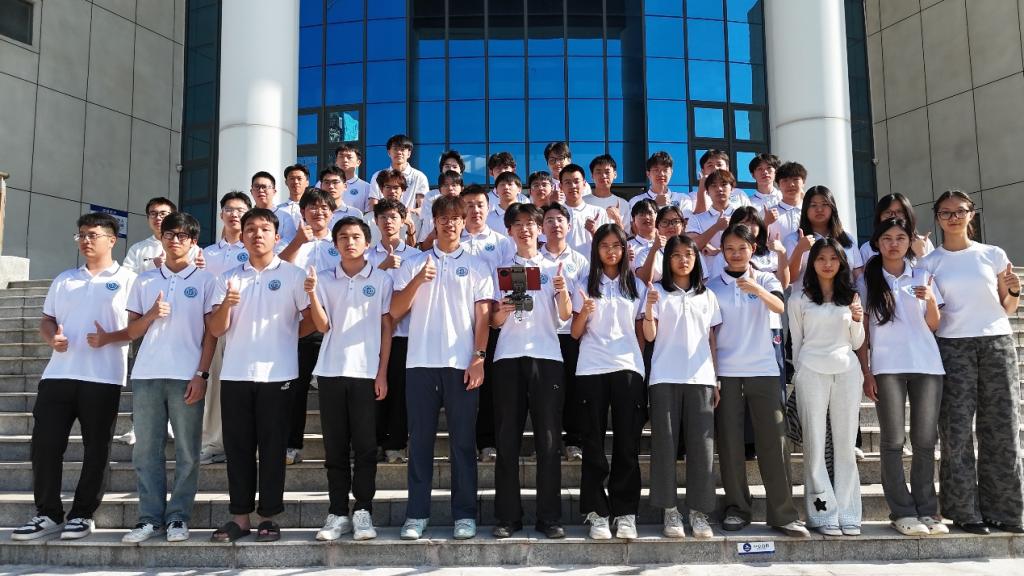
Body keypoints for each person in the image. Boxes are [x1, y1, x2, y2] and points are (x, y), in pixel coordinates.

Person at [12, 213, 136, 541]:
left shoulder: (129, 279)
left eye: (93, 235)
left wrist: (109, 338)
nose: (85, 240)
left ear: (112, 240)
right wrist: (52, 338)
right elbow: (47, 320)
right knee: (45, 445)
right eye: (81, 235)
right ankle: (48, 513)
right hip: (58, 375)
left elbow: (139, 326)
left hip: (103, 377)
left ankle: (82, 514)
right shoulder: (65, 279)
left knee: (97, 448)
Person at [103, 212, 215, 544]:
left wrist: (201, 374)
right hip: (147, 374)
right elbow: (132, 331)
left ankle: (179, 516)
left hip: (186, 376)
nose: (175, 240)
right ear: (161, 238)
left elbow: (211, 334)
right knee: (146, 452)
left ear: (193, 242)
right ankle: (149, 518)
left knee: (188, 452)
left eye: (182, 236)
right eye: (169, 234)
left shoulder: (206, 281)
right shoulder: (145, 280)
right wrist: (152, 314)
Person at [206, 208, 314, 543]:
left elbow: (310, 320)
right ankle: (239, 518)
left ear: (277, 236)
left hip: (279, 374)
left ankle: (269, 517)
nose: (257, 234)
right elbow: (215, 329)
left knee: (272, 447)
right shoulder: (228, 278)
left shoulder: (294, 275)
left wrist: (286, 336)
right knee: (238, 448)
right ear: (242, 236)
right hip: (236, 374)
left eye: (264, 229)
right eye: (250, 229)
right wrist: (227, 304)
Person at [920, 190, 1024, 535]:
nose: (953, 218)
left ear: (971, 214)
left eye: (960, 211)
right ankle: (963, 510)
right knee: (956, 431)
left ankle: (1006, 511)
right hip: (953, 347)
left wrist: (1014, 290)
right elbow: (930, 314)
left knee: (1003, 427)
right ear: (937, 218)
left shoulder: (992, 254)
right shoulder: (930, 262)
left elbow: (1007, 307)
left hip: (996, 343)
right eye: (946, 213)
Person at [390, 195, 493, 541]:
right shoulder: (414, 263)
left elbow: (483, 317)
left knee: (463, 443)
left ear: (464, 222)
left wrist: (478, 358)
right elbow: (395, 311)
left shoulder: (478, 265)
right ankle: (416, 514)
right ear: (433, 222)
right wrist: (418, 279)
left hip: (460, 364)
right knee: (419, 442)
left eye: (456, 218)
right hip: (420, 364)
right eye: (443, 218)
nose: (450, 223)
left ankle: (465, 514)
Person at [708, 225, 808, 538]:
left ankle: (783, 513)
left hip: (764, 370)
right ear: (722, 251)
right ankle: (737, 508)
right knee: (730, 443)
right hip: (727, 371)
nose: (736, 254)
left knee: (775, 442)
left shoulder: (766, 278)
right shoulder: (713, 285)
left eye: (742, 248)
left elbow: (779, 306)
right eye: (729, 248)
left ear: (753, 249)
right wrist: (713, 375)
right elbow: (710, 333)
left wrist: (756, 289)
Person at [856, 218, 946, 536]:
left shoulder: (923, 274)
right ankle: (902, 511)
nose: (893, 244)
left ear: (909, 242)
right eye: (887, 238)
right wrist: (866, 371)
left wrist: (931, 299)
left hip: (927, 364)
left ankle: (927, 509)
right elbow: (863, 331)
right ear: (877, 243)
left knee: (925, 441)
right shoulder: (867, 280)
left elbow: (934, 324)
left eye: (900, 238)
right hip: (887, 367)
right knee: (893, 441)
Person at [490, 203, 573, 540]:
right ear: (509, 230)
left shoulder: (555, 267)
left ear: (539, 229)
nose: (525, 229)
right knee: (507, 439)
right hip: (508, 356)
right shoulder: (500, 269)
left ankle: (549, 517)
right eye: (518, 224)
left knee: (549, 440)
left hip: (547, 356)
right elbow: (494, 321)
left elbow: (565, 316)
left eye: (530, 224)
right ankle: (507, 517)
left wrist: (562, 290)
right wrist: (503, 309)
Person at [308, 216, 393, 542]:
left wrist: (382, 372)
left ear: (367, 243)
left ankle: (363, 511)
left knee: (366, 447)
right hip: (331, 370)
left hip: (366, 373)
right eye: (343, 237)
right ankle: (337, 513)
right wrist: (311, 294)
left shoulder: (382, 279)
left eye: (356, 236)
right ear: (335, 244)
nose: (349, 242)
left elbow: (386, 328)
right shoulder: (324, 279)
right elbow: (322, 326)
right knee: (335, 448)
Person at [643, 234, 722, 539]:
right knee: (664, 446)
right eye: (676, 255)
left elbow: (712, 339)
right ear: (668, 260)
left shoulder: (707, 295)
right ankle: (670, 511)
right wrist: (650, 309)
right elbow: (649, 336)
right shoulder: (657, 292)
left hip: (700, 378)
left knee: (702, 448)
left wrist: (715, 378)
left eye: (688, 254)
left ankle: (699, 512)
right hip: (664, 376)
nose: (683, 260)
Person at [571, 223, 646, 540]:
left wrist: (637, 364)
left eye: (617, 245)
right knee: (593, 443)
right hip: (592, 367)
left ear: (624, 249)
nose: (611, 251)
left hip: (628, 367)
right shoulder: (584, 283)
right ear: (596, 249)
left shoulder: (636, 285)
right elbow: (575, 333)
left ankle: (625, 512)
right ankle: (596, 512)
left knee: (628, 443)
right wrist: (584, 311)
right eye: (605, 245)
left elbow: (641, 332)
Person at [789, 238, 865, 536]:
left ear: (841, 262)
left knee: (845, 445)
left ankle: (848, 512)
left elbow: (857, 342)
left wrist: (857, 320)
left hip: (847, 371)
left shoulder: (851, 297)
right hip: (811, 371)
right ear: (813, 263)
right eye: (821, 258)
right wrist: (799, 374)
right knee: (815, 445)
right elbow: (796, 342)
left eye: (834, 258)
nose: (828, 264)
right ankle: (822, 514)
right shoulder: (799, 299)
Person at [277, 188, 342, 466]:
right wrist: (297, 243)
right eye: (312, 207)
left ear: (332, 213)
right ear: (302, 212)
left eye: (324, 208)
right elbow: (276, 269)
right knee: (296, 388)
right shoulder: (290, 243)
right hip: (302, 325)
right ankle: (291, 445)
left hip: (336, 324)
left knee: (336, 390)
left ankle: (341, 446)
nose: (318, 212)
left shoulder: (340, 242)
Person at [459, 185, 514, 462]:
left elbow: (508, 281)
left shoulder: (502, 242)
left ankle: (487, 442)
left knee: (489, 386)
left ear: (488, 207)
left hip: (492, 322)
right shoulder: (452, 240)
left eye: (479, 204)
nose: (474, 210)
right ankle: (462, 442)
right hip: (458, 324)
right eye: (468, 205)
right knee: (460, 386)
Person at [367, 199, 423, 464]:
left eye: (393, 217)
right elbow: (360, 288)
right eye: (383, 217)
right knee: (372, 391)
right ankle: (372, 442)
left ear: (403, 221)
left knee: (399, 391)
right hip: (371, 335)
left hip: (403, 334)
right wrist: (384, 266)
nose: (388, 222)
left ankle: (395, 444)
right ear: (375, 221)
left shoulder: (416, 257)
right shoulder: (366, 256)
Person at [199, 191, 252, 466]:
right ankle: (213, 443)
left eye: (240, 210)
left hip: (248, 329)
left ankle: (247, 442)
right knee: (215, 386)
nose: (234, 215)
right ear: (221, 215)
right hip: (216, 328)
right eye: (229, 209)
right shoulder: (206, 254)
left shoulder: (254, 250)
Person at [540, 203, 590, 462]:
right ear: (541, 227)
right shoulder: (534, 259)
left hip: (571, 333)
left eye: (560, 220)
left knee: (573, 389)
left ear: (569, 226)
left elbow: (583, 301)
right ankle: (546, 441)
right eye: (549, 220)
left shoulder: (580, 261)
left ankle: (574, 441)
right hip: (542, 333)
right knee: (545, 391)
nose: (555, 224)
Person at [784, 185, 864, 287]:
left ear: (832, 208)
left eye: (825, 204)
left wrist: (860, 294)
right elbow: (790, 278)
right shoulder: (793, 239)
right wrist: (799, 249)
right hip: (806, 296)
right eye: (813, 205)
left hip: (845, 296)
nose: (819, 209)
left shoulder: (847, 238)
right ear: (805, 209)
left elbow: (858, 274)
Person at [123, 197, 202, 275]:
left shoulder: (190, 247)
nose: (158, 218)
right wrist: (151, 265)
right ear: (148, 218)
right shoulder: (137, 249)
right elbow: (126, 277)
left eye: (163, 214)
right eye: (153, 214)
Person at [858, 193, 934, 264]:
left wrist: (921, 254)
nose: (893, 216)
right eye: (888, 212)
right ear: (879, 217)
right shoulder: (867, 249)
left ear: (908, 216)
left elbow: (934, 272)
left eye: (899, 212)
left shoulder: (923, 243)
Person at [368, 134, 430, 209]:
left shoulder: (419, 177)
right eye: (395, 149)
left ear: (409, 153)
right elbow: (373, 205)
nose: (399, 152)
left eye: (403, 149)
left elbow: (423, 208)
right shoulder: (378, 175)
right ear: (389, 152)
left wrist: (405, 213)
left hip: (410, 216)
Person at [562, 164, 609, 257]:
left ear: (584, 184)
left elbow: (607, 244)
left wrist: (594, 231)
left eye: (576, 181)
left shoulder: (599, 212)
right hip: (562, 265)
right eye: (567, 182)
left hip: (591, 264)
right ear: (561, 186)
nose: (573, 186)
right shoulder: (555, 213)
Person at [365, 169, 418, 247]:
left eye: (396, 187)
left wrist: (410, 225)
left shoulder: (413, 218)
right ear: (381, 189)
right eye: (388, 187)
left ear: (403, 190)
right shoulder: (368, 219)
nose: (392, 191)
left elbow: (413, 249)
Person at [635, 205, 687, 283]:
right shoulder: (645, 253)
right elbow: (643, 281)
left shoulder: (690, 251)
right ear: (657, 227)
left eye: (675, 221)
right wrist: (654, 250)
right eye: (665, 222)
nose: (670, 226)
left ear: (683, 225)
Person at [416, 170, 464, 248]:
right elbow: (423, 247)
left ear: (462, 188)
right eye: (446, 185)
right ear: (439, 189)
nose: (450, 188)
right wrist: (432, 236)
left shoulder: (468, 210)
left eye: (454, 185)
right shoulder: (431, 214)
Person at [585, 155, 630, 231]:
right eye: (598, 172)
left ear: (615, 174)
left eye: (607, 172)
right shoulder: (583, 202)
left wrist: (617, 219)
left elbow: (626, 235)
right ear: (592, 176)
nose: (603, 176)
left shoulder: (623, 204)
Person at [767, 162, 806, 242]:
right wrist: (766, 223)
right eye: (785, 180)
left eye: (795, 179)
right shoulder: (769, 213)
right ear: (778, 185)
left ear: (803, 183)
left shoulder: (810, 211)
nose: (791, 184)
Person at [275, 164, 310, 244]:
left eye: (299, 178)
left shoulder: (313, 209)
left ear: (307, 183)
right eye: (292, 178)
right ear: (286, 182)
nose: (296, 182)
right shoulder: (277, 210)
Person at [334, 144, 372, 212]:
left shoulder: (366, 187)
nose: (345, 160)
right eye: (341, 156)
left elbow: (368, 214)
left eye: (349, 157)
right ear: (336, 161)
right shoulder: (323, 184)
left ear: (358, 162)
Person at [486, 171, 525, 237]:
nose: (506, 187)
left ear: (519, 189)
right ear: (496, 191)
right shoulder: (487, 219)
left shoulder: (527, 215)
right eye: (502, 184)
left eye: (510, 184)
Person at [747, 152, 782, 217]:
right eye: (760, 169)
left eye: (769, 167)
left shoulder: (784, 197)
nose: (765, 172)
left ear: (776, 172)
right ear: (753, 175)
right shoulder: (748, 203)